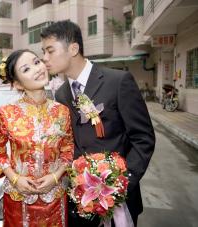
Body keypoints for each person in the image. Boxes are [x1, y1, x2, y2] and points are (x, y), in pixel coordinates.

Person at [41, 20, 155, 227]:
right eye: (43, 52)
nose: (45, 58)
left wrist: (121, 183)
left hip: (117, 198)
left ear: (73, 48)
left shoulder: (118, 81)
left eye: (50, 51)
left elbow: (143, 138)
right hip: (78, 201)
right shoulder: (61, 94)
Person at [0, 49, 74, 227]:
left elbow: (68, 151)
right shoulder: (6, 113)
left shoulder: (62, 111)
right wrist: (15, 179)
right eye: (26, 69)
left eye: (37, 62)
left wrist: (56, 176)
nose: (37, 69)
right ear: (18, 84)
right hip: (18, 198)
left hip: (55, 196)